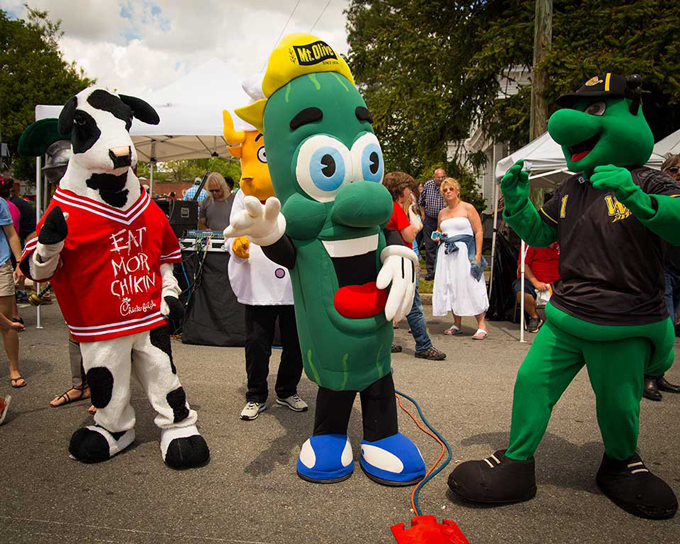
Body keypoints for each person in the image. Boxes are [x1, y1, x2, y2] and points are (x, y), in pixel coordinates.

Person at [384, 172, 446, 360]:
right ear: (400, 190)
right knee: (414, 304)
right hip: (402, 263)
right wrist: (413, 215)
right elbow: (410, 235)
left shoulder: (385, 208)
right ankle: (423, 346)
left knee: (386, 303)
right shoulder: (395, 209)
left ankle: (383, 343)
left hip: (389, 261)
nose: (410, 191)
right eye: (408, 188)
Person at [643, 153, 680, 401]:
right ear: (665, 171)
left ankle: (658, 374)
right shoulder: (657, 194)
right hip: (662, 269)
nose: (679, 174)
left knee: (672, 325)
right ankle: (647, 377)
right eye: (676, 169)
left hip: (679, 270)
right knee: (663, 326)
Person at [432, 178, 489, 339]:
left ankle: (481, 325)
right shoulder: (442, 213)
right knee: (451, 284)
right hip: (447, 253)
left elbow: (478, 231)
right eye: (445, 190)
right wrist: (437, 236)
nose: (448, 192)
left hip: (465, 252)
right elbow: (439, 230)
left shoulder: (467, 208)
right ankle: (457, 323)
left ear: (457, 190)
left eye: (451, 189)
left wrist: (478, 254)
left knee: (471, 284)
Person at [0, 197, 24, 387]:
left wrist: (19, 262)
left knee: (6, 321)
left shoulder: (0, 203)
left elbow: (11, 233)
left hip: (1, 265)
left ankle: (14, 368)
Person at [513, 242, 560, 333]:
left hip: (557, 281)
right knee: (521, 291)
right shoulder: (531, 242)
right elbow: (522, 265)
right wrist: (536, 282)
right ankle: (534, 317)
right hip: (532, 280)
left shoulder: (564, 241)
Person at [418, 168, 447, 280]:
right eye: (438, 177)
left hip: (445, 220)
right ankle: (431, 272)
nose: (440, 179)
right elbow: (421, 201)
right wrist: (423, 216)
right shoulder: (428, 185)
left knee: (444, 244)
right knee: (429, 245)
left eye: (442, 177)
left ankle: (442, 271)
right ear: (434, 177)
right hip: (430, 220)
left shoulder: (447, 185)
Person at [8, 178, 36, 244]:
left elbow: (12, 227)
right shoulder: (17, 201)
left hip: (25, 236)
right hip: (28, 234)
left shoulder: (13, 204)